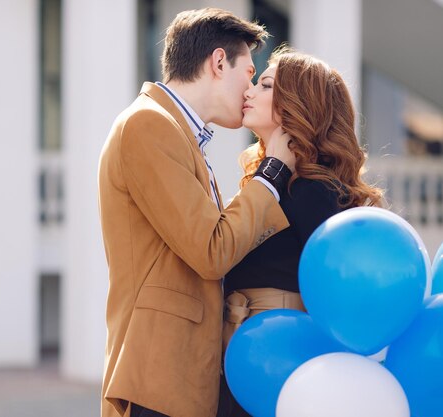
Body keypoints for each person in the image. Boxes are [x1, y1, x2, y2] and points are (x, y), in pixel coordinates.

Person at [97, 8, 299, 417]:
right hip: (159, 379)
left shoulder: (177, 133)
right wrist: (272, 173)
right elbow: (212, 249)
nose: (249, 89)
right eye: (249, 72)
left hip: (177, 377)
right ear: (219, 62)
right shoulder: (148, 125)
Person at [217, 48, 385, 417]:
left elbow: (343, 290)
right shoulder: (278, 181)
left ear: (297, 103)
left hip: (279, 367)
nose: (248, 91)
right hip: (246, 360)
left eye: (264, 85)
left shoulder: (313, 190)